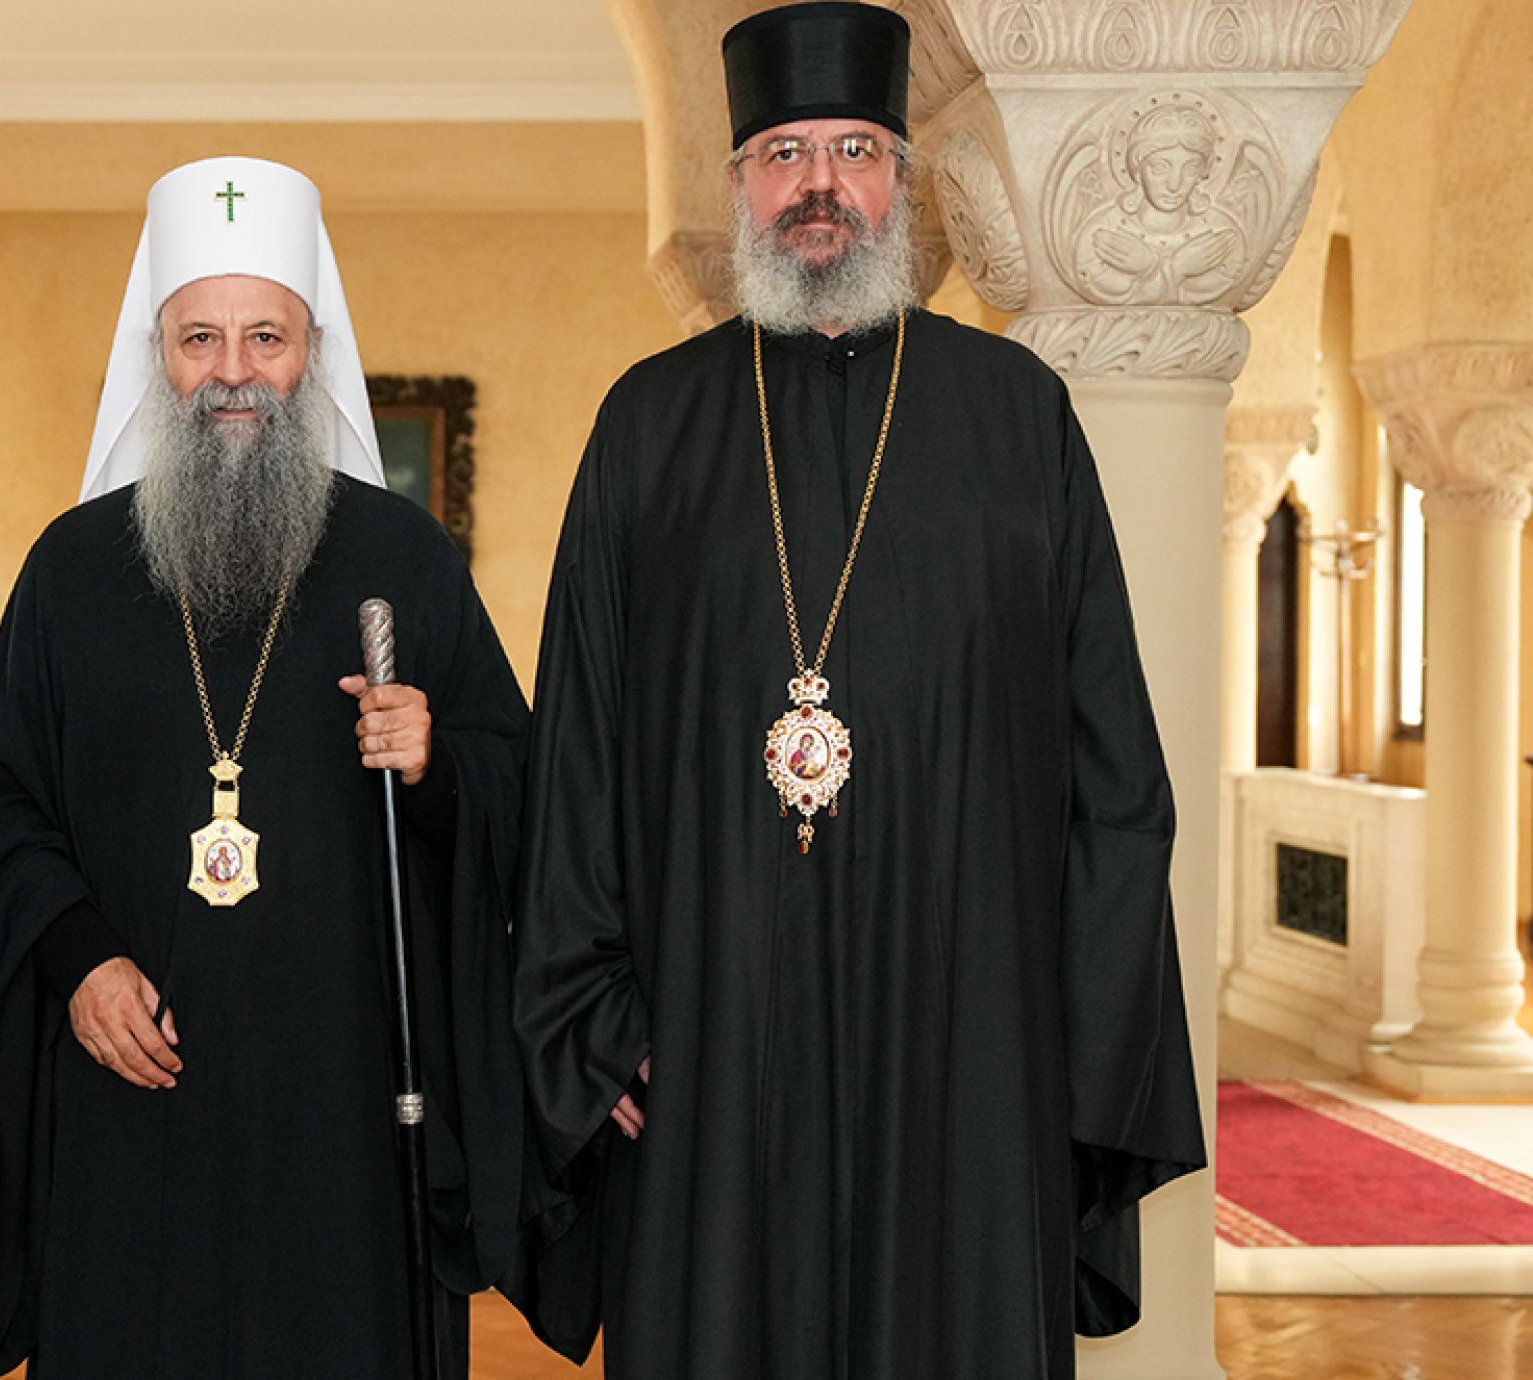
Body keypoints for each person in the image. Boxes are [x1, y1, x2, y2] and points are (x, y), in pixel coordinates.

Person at [511, 6, 1206, 1378]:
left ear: (901, 176)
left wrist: (1069, 1043)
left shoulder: (1017, 416)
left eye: (852, 150)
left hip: (968, 1040)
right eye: (782, 153)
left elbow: (1115, 771)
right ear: (739, 186)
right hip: (713, 1033)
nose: (818, 184)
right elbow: (578, 745)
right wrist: (591, 1018)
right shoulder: (650, 426)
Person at [0, 156, 532, 1379]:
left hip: (345, 1106)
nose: (233, 372)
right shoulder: (70, 570)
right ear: (159, 356)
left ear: (310, 352)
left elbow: (524, 787)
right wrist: (75, 957)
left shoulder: (404, 558)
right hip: (128, 1092)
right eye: (200, 339)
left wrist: (434, 763)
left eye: (265, 338)